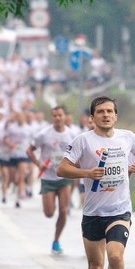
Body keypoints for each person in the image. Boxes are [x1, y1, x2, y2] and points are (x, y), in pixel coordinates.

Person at [57, 96, 135, 269]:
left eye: (110, 111)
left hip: (119, 210)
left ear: (116, 116)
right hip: (93, 213)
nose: (106, 115)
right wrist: (86, 172)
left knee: (116, 257)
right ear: (92, 117)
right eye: (100, 112)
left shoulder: (127, 137)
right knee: (96, 267)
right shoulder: (83, 141)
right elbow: (62, 168)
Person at [27, 106, 77, 254]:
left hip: (64, 177)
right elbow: (29, 150)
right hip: (48, 177)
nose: (57, 118)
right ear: (52, 118)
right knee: (49, 213)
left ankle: (56, 240)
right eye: (54, 116)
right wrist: (38, 164)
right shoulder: (43, 134)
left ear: (65, 116)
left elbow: (77, 153)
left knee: (63, 210)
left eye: (60, 115)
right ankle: (51, 206)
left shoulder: (72, 134)